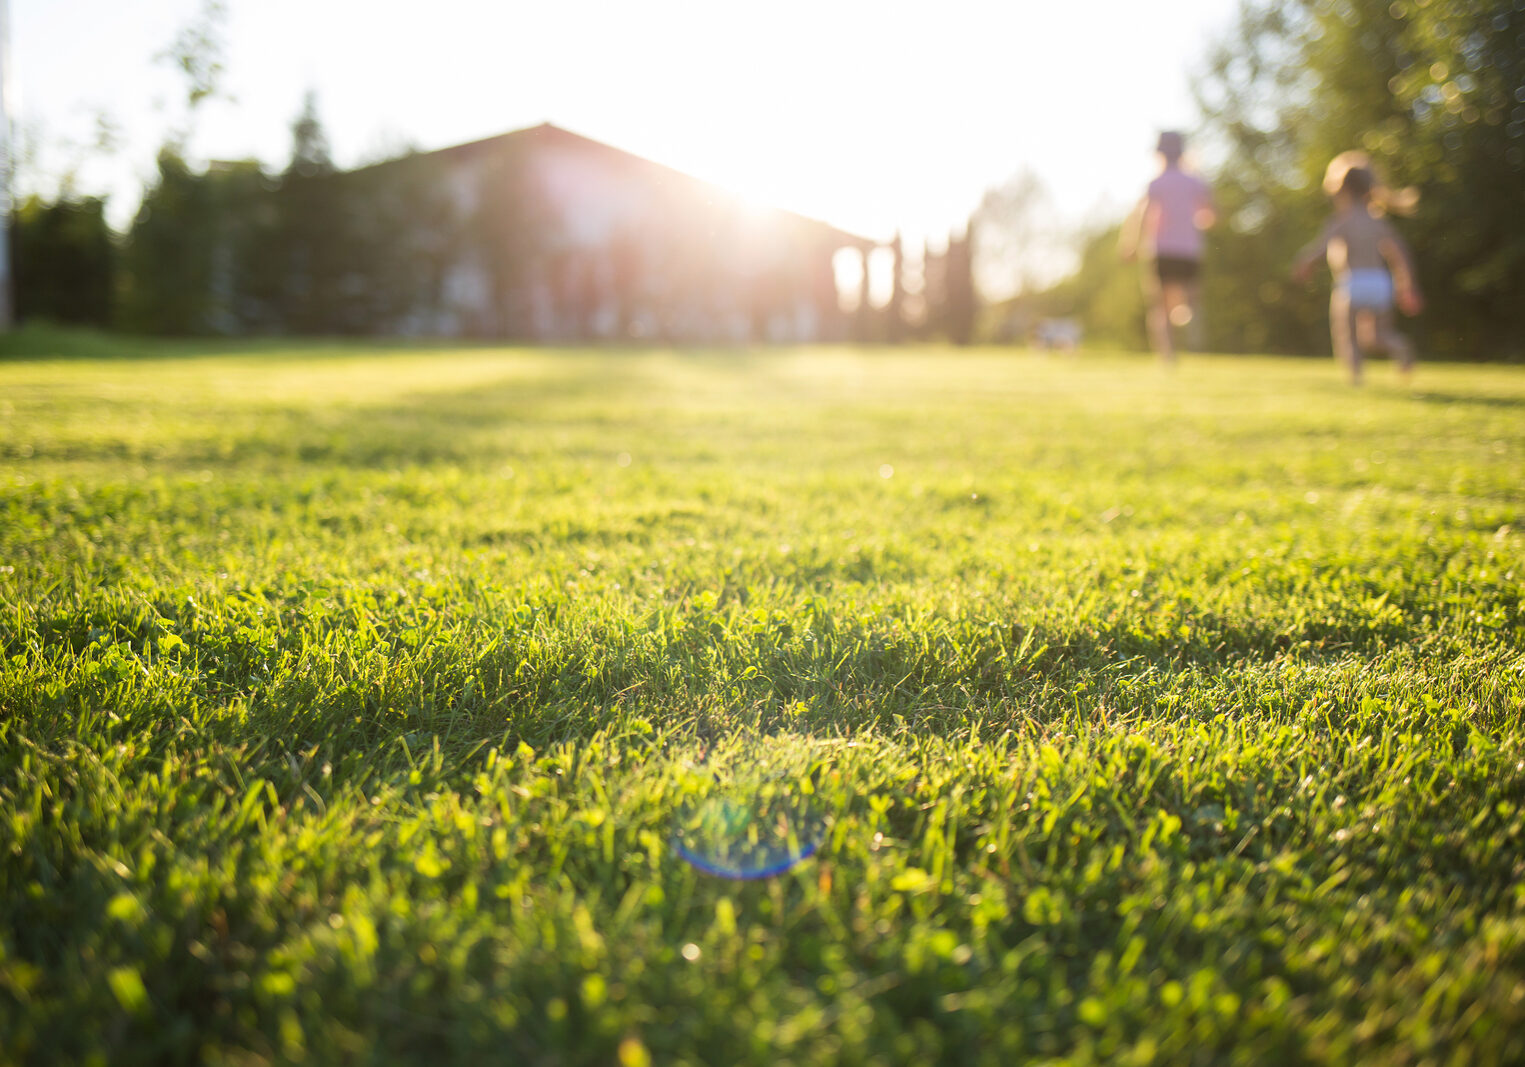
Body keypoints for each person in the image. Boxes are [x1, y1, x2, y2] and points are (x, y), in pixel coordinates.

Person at [1292, 152, 1423, 386]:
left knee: (1348, 335)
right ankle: (1400, 347)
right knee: (1378, 336)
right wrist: (1407, 285)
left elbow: (1320, 248)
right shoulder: (1378, 222)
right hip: (1380, 283)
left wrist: (1305, 263)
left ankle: (1356, 379)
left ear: (1339, 191)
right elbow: (1399, 254)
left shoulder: (1341, 221)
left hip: (1352, 283)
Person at [1119, 131, 1217, 365]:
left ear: (1160, 154)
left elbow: (1144, 215)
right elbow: (1211, 215)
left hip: (1162, 249)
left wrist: (1132, 245)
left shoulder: (1157, 183)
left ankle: (1168, 357)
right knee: (1190, 300)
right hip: (1190, 250)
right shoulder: (1196, 182)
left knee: (1159, 306)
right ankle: (1187, 318)